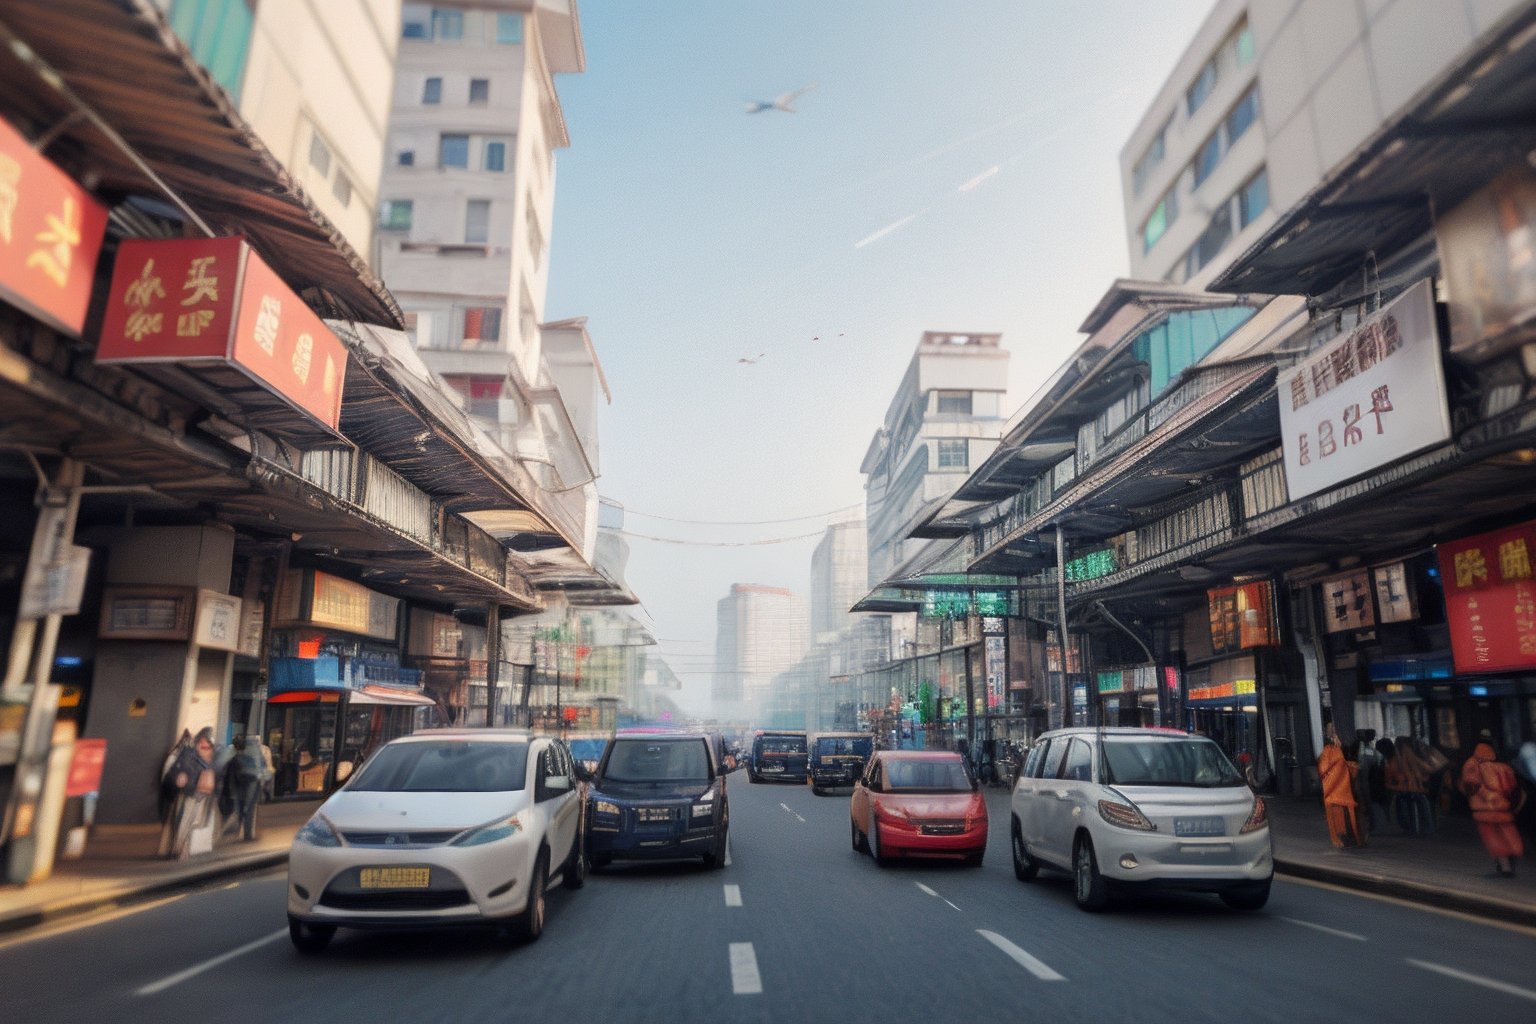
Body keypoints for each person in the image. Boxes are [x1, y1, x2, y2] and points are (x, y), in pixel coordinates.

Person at [1460, 738, 1526, 876]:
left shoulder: (1473, 765)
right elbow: (1515, 788)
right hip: (1504, 809)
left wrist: (1487, 796)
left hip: (1485, 810)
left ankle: (1505, 868)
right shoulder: (1504, 767)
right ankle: (1510, 858)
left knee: (1494, 838)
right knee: (1508, 835)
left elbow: (1471, 786)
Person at [166, 727, 219, 860]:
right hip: (190, 791)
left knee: (185, 820)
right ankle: (178, 850)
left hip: (194, 791)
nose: (205, 744)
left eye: (207, 741)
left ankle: (178, 849)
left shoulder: (196, 752)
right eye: (204, 740)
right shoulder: (192, 752)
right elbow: (179, 768)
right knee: (185, 820)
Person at [1317, 724, 1363, 849]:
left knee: (1343, 814)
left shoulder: (1330, 751)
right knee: (1349, 814)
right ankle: (1353, 838)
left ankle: (1346, 838)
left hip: (1337, 790)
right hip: (1344, 789)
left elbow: (1323, 770)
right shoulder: (1339, 750)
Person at [155, 729, 191, 857]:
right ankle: (174, 850)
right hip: (180, 794)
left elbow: (165, 774)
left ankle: (163, 850)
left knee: (168, 823)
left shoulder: (173, 754)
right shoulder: (187, 756)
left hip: (170, 792)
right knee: (178, 823)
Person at [221, 736, 264, 841]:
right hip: (253, 780)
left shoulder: (235, 751)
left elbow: (225, 765)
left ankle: (237, 832)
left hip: (239, 780)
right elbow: (262, 766)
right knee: (249, 807)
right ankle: (247, 835)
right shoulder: (257, 751)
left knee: (240, 805)